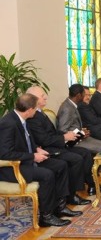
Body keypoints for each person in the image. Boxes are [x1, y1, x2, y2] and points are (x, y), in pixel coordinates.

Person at [0, 94, 79, 227]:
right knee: (46, 175)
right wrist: (32, 156)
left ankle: (59, 207)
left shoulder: (22, 119)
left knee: (60, 165)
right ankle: (46, 216)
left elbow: (26, 140)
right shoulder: (8, 123)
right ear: (30, 109)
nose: (37, 111)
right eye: (36, 108)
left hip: (26, 159)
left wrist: (36, 149)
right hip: (11, 168)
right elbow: (5, 153)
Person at [26, 86, 93, 203]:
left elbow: (53, 131)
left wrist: (68, 134)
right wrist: (64, 137)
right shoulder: (33, 117)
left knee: (85, 153)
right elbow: (43, 140)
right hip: (48, 149)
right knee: (76, 159)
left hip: (56, 145)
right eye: (42, 96)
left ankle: (90, 184)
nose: (46, 97)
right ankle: (71, 195)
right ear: (34, 99)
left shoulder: (41, 113)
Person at [57, 84, 101, 154]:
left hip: (79, 137)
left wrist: (82, 132)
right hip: (72, 142)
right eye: (84, 94)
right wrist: (80, 134)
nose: (85, 96)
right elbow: (62, 131)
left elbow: (72, 125)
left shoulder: (72, 104)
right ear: (79, 95)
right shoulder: (67, 108)